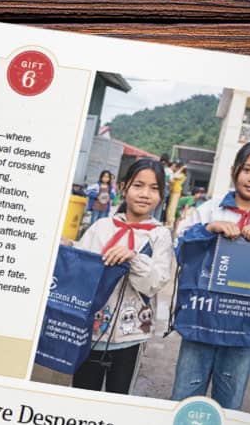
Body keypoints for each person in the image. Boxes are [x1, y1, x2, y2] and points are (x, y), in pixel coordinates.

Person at [171, 141, 250, 410]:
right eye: (247, 169)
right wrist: (209, 228)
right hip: (201, 322)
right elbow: (181, 250)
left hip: (242, 327)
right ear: (234, 170)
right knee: (182, 402)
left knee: (227, 409)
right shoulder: (210, 209)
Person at [69, 157, 178, 395]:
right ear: (124, 187)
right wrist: (68, 247)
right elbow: (79, 271)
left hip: (132, 335)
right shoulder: (101, 228)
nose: (145, 194)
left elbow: (154, 283)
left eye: (154, 188)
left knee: (119, 396)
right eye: (138, 185)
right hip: (91, 331)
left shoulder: (160, 236)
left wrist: (134, 259)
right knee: (82, 394)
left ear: (162, 195)